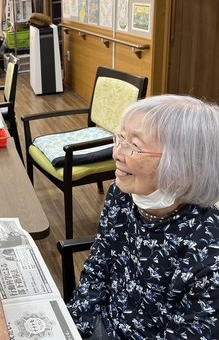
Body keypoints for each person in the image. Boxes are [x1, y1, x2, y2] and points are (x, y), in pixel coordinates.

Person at [68, 95, 219, 339]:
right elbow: (99, 264)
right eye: (121, 138)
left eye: (135, 146)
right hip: (102, 322)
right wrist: (76, 324)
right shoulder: (123, 194)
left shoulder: (210, 257)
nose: (117, 153)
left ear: (184, 167)